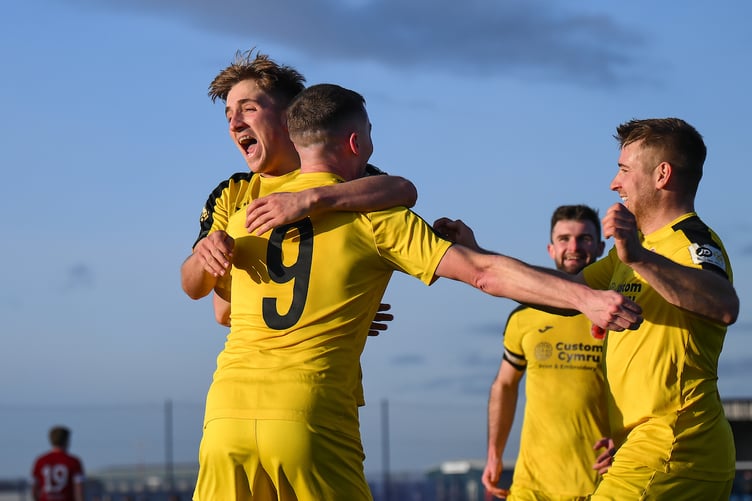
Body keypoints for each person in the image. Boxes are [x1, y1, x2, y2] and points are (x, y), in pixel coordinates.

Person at [192, 82, 642, 501]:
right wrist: (586, 298)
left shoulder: (244, 215)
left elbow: (222, 308)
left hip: (224, 417)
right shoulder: (375, 216)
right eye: (369, 134)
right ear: (355, 143)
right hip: (308, 413)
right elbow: (485, 274)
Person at [579, 118, 739, 499]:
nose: (613, 183)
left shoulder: (691, 240)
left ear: (661, 174)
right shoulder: (634, 251)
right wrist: (471, 257)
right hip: (651, 452)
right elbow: (562, 291)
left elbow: (724, 303)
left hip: (675, 450)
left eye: (623, 170)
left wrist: (638, 257)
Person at [472, 204, 610, 499]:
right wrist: (494, 453)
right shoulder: (524, 317)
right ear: (550, 249)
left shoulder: (616, 313)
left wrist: (627, 440)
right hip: (531, 486)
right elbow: (505, 385)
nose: (573, 247)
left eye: (584, 239)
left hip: (601, 483)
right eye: (564, 239)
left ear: (600, 246)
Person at [31, 426, 85, 501]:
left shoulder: (40, 461)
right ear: (66, 440)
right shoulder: (74, 462)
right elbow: (79, 490)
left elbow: (34, 490)